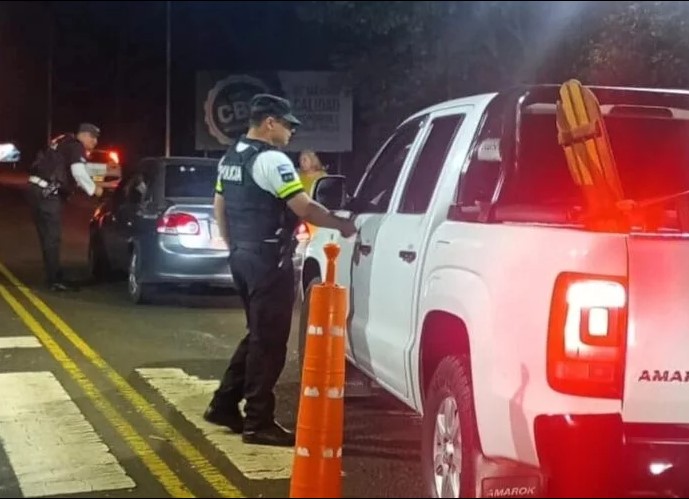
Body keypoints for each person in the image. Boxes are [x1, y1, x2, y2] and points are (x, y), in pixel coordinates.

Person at [206, 94, 356, 447]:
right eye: (288, 125)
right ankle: (258, 421)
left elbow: (220, 206)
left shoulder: (231, 157)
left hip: (243, 256)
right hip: (268, 259)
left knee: (257, 333)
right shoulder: (272, 160)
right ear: (269, 123)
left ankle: (224, 404)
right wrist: (342, 224)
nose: (292, 132)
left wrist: (234, 246)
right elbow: (304, 207)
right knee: (270, 342)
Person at [27, 123, 104, 292]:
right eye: (93, 138)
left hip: (36, 191)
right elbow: (78, 172)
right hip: (48, 195)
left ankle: (52, 274)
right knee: (52, 237)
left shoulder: (63, 141)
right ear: (84, 135)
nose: (95, 142)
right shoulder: (76, 146)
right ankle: (54, 280)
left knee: (46, 237)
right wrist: (94, 190)